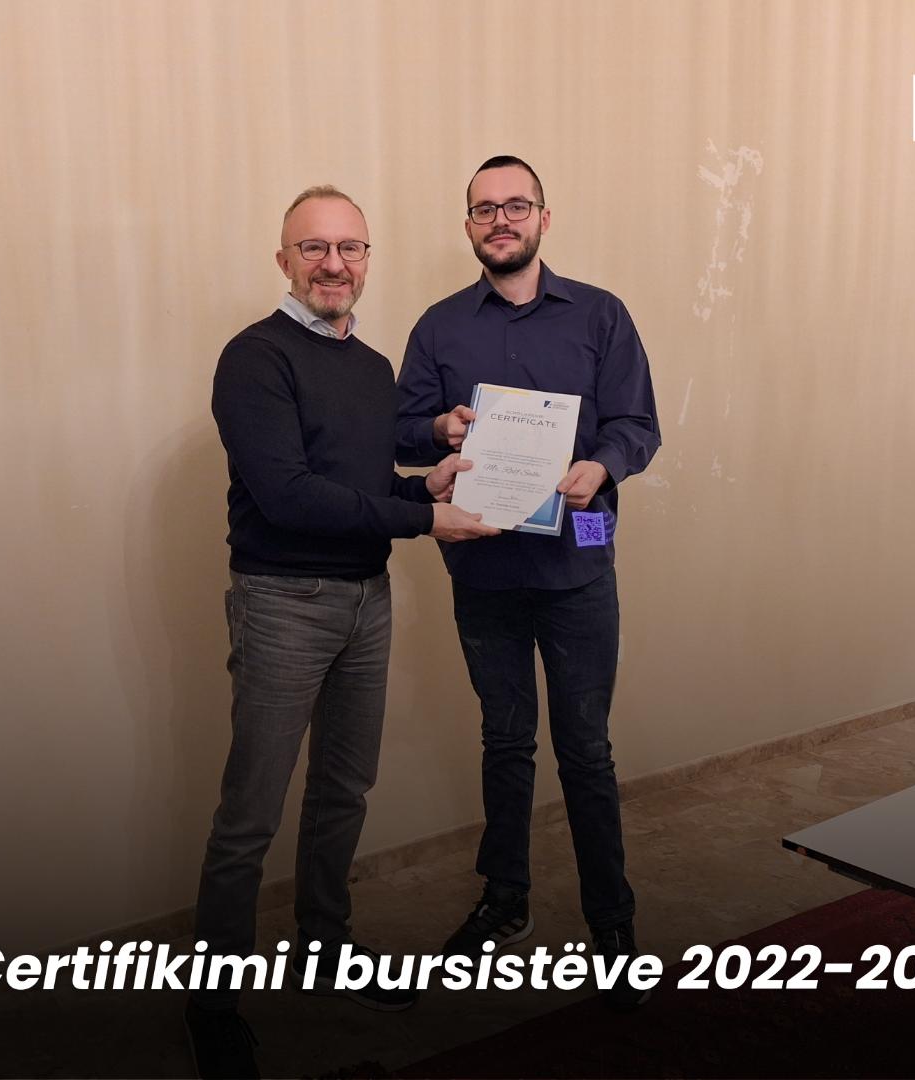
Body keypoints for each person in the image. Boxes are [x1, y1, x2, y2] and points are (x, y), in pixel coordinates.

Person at [187, 185, 498, 1079]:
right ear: (283, 260)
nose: (334, 264)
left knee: (343, 790)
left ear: (367, 259)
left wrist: (422, 486)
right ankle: (213, 1002)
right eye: (314, 248)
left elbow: (357, 488)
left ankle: (324, 947)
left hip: (366, 599)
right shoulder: (254, 358)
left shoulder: (369, 365)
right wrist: (422, 520)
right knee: (250, 812)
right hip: (283, 601)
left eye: (350, 248)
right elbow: (289, 497)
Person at [395, 156, 661, 1011]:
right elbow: (399, 430)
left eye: (516, 205)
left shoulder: (600, 314)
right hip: (482, 562)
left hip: (583, 546)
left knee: (586, 747)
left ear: (545, 217)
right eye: (484, 209)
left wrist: (601, 464)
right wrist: (438, 426)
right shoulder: (438, 327)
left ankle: (610, 920)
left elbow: (638, 424)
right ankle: (504, 898)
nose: (500, 219)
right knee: (505, 740)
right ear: (467, 226)